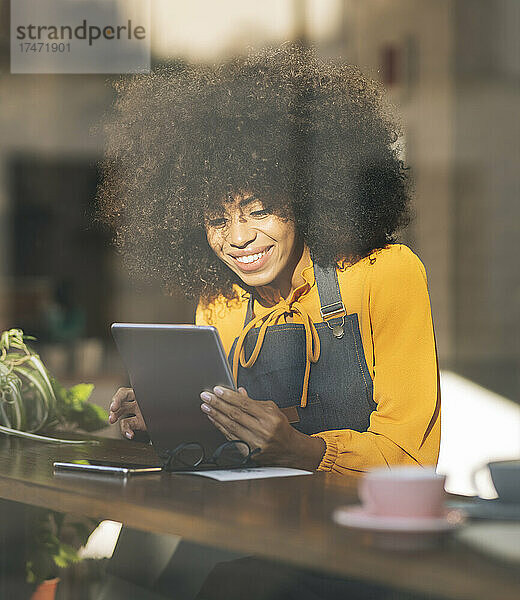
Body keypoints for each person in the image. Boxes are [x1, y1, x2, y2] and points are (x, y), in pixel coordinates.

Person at [99, 43, 440, 598]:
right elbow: (224, 449)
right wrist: (170, 418)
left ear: (308, 196)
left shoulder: (385, 274)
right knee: (135, 559)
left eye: (259, 210)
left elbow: (413, 462)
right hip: (247, 524)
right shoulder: (221, 302)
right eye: (216, 220)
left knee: (222, 581)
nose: (237, 240)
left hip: (349, 538)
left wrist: (303, 451)